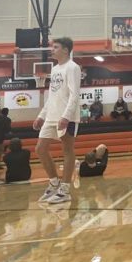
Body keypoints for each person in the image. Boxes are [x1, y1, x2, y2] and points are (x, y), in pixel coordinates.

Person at [33, 37, 82, 204]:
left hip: (66, 117)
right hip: (51, 116)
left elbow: (75, 94)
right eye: (52, 47)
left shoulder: (73, 67)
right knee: (40, 148)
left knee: (67, 150)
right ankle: (54, 183)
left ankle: (65, 189)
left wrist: (66, 116)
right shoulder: (54, 69)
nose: (52, 49)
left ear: (66, 50)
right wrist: (41, 115)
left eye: (55, 47)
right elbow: (52, 96)